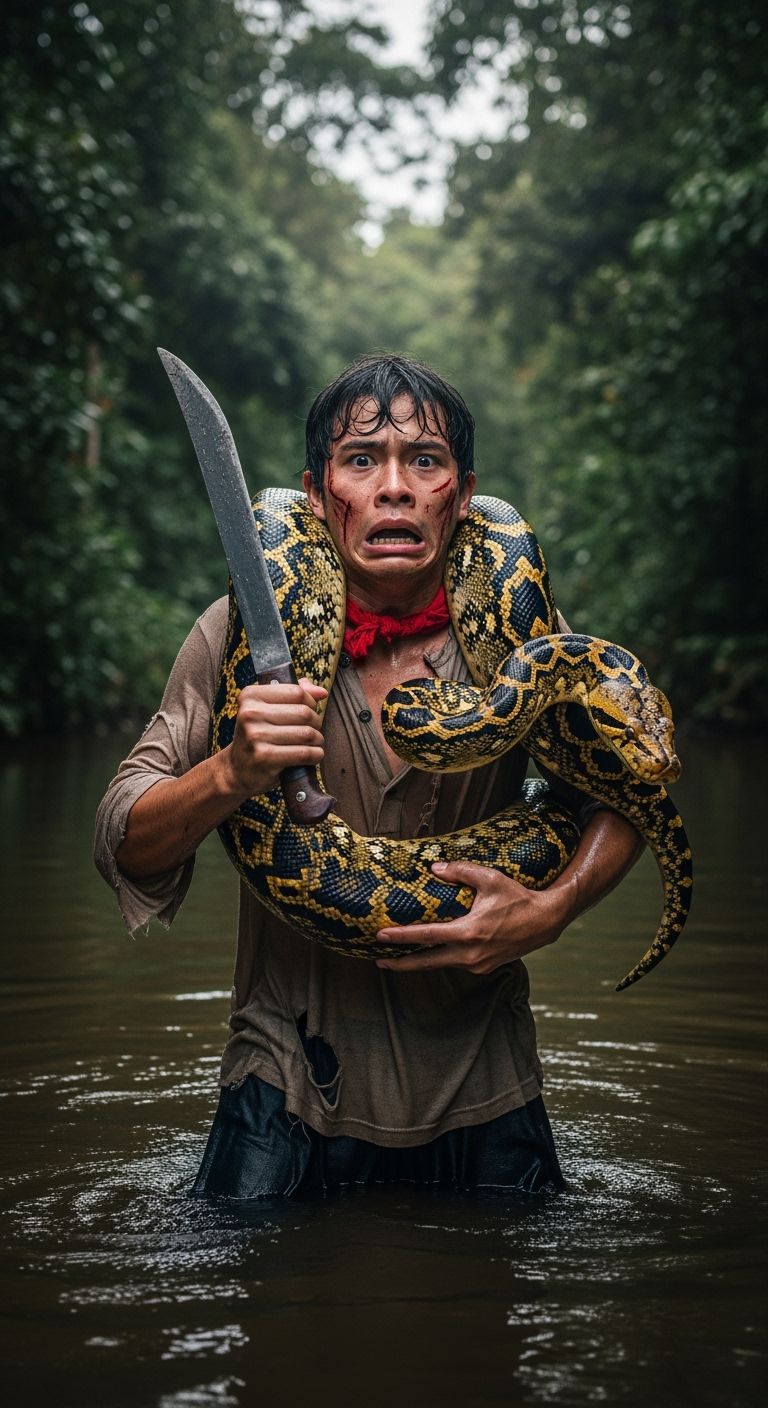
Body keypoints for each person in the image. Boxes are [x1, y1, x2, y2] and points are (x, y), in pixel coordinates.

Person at [94, 353, 641, 1198]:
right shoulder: (239, 628)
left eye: (424, 461)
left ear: (460, 498)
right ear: (318, 497)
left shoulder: (528, 648)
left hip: (483, 1081)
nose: (393, 487)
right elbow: (124, 842)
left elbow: (628, 793)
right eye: (362, 461)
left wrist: (551, 910)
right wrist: (231, 770)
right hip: (283, 1079)